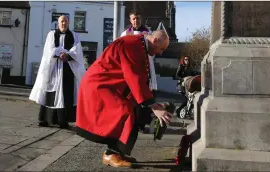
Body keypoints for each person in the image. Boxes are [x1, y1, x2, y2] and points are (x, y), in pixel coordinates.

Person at [75, 30, 172, 168]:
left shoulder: (138, 45)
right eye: (161, 49)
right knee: (124, 112)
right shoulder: (132, 45)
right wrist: (153, 106)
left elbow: (139, 79)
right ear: (155, 40)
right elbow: (134, 76)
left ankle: (118, 152)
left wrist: (153, 103)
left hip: (106, 84)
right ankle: (111, 154)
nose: (160, 53)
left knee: (131, 110)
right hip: (99, 84)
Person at [29, 15, 86, 129]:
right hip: (53, 69)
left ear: (68, 23)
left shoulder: (74, 35)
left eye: (65, 21)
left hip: (67, 69)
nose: (63, 24)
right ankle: (45, 119)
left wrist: (67, 55)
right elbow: (48, 50)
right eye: (61, 21)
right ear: (58, 23)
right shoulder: (51, 34)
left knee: (66, 94)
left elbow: (77, 51)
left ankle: (63, 120)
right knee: (50, 92)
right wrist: (59, 52)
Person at [120, 10, 158, 133]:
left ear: (141, 19)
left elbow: (154, 50)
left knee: (143, 96)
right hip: (130, 70)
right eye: (133, 19)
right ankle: (131, 123)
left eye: (137, 18)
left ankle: (141, 123)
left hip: (144, 68)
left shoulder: (148, 33)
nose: (136, 21)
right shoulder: (125, 34)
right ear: (130, 20)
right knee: (130, 98)